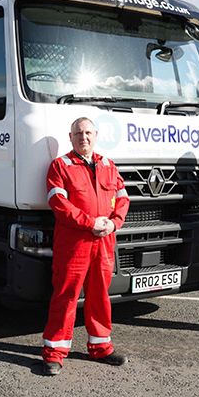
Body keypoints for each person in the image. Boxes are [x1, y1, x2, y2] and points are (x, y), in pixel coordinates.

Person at [41, 117, 130, 376]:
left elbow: (123, 198)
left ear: (96, 135)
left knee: (100, 296)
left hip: (104, 241)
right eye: (78, 133)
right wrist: (90, 223)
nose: (84, 138)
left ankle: (101, 347)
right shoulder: (60, 166)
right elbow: (58, 203)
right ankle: (54, 353)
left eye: (88, 133)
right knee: (66, 296)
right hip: (74, 243)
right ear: (70, 138)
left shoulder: (108, 165)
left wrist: (114, 224)